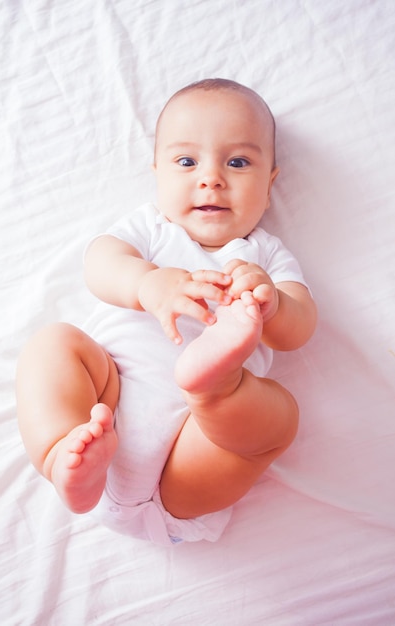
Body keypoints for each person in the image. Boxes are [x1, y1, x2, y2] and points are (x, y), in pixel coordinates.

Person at [16, 78, 317, 545]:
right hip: (106, 410)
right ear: (157, 172)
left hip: (193, 460)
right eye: (186, 161)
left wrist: (272, 303)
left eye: (238, 162)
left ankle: (214, 388)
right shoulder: (152, 231)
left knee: (277, 417)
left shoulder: (265, 257)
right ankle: (61, 452)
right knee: (52, 344)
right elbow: (99, 263)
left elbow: (298, 327)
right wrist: (146, 282)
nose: (211, 178)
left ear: (270, 182)